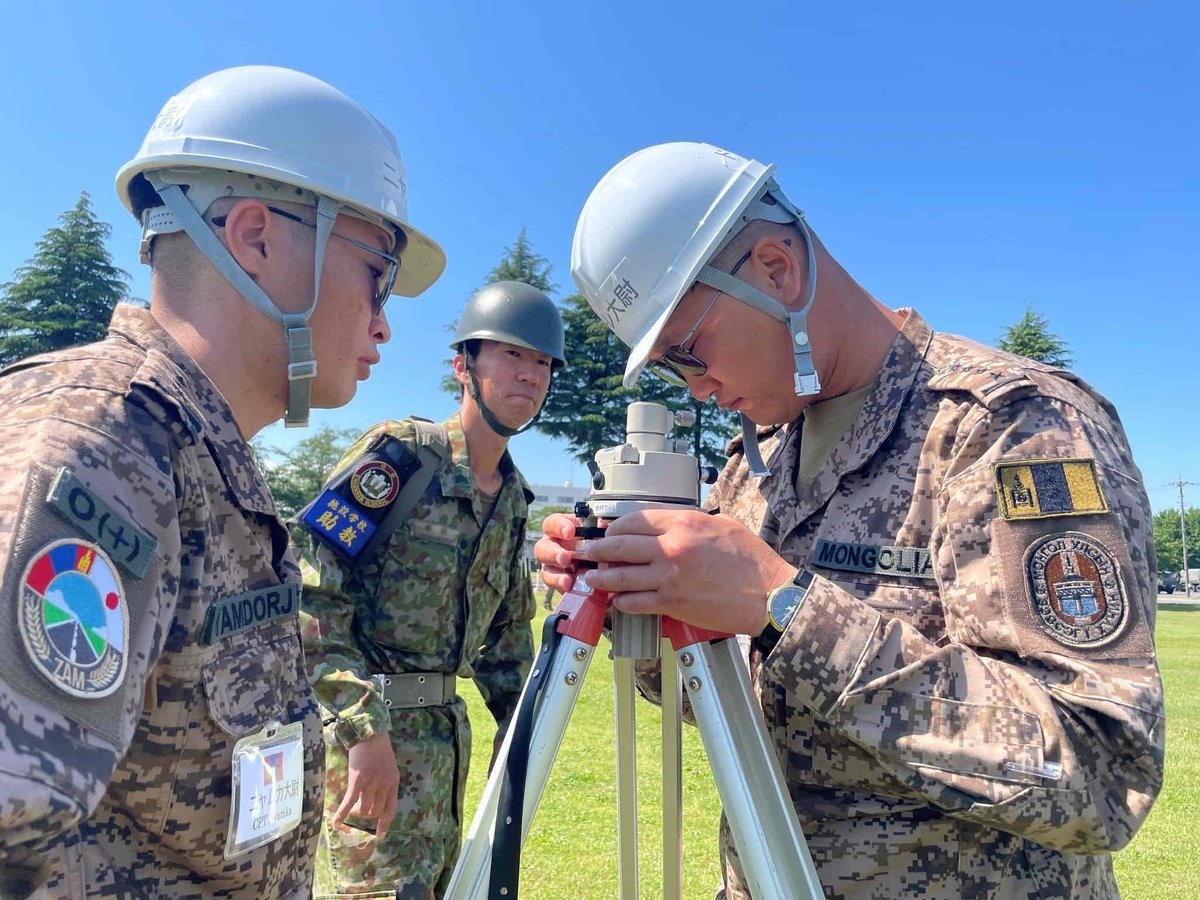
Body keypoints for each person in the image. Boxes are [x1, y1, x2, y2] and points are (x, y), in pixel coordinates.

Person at [537, 142, 1164, 898]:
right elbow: (734, 705)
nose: (696, 388)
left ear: (777, 269)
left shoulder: (1012, 427)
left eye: (689, 350)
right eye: (671, 369)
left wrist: (784, 605)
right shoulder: (757, 465)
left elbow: (1099, 772)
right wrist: (635, 600)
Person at [0, 65, 444, 898]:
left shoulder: (200, 462)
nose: (383, 319)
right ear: (255, 237)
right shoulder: (101, 446)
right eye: (376, 270)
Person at [295, 281, 564, 898]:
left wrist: (517, 734)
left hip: (446, 751)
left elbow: (505, 642)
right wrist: (363, 732)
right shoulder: (402, 459)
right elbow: (313, 595)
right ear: (463, 366)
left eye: (543, 362)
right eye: (512, 355)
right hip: (369, 746)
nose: (530, 374)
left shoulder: (514, 502)